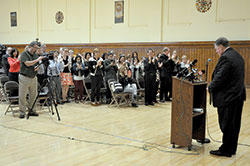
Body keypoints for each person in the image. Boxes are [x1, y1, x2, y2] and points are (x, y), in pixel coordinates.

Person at [208, 37, 246, 157]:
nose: (216, 52)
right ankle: (231, 148)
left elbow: (220, 76)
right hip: (238, 95)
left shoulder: (226, 57)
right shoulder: (237, 56)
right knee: (234, 125)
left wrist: (210, 87)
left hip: (228, 97)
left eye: (216, 49)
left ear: (220, 47)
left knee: (227, 124)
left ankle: (226, 149)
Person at [19, 41, 44, 119]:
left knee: (33, 95)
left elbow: (36, 65)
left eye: (37, 48)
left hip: (33, 77)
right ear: (31, 46)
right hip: (24, 77)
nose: (36, 49)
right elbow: (27, 63)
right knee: (22, 95)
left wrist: (37, 67)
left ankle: (32, 110)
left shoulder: (35, 55)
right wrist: (37, 60)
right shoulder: (24, 54)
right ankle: (22, 112)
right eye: (35, 48)